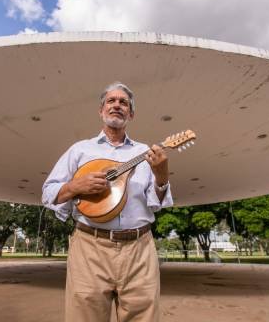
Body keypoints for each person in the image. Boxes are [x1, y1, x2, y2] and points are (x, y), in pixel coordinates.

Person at [42, 82, 173, 322]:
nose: (117, 105)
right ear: (101, 111)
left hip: (140, 248)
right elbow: (48, 192)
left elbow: (157, 202)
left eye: (123, 102)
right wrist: (74, 186)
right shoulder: (80, 150)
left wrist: (162, 175)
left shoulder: (146, 153)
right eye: (111, 101)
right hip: (89, 247)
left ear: (130, 114)